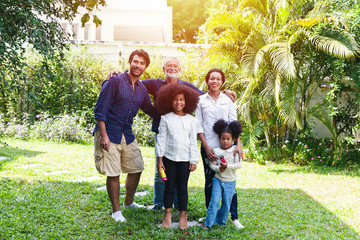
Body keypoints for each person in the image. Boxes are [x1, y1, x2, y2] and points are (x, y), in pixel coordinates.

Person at [107, 58, 237, 211]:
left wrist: (223, 92)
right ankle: (159, 203)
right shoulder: (154, 83)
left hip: (181, 133)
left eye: (175, 66)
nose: (172, 68)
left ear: (179, 69)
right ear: (163, 69)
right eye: (169, 66)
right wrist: (117, 74)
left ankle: (175, 203)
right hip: (162, 131)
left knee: (179, 166)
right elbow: (134, 80)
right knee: (160, 168)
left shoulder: (185, 86)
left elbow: (205, 94)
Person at [93, 49, 155, 222]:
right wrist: (103, 135)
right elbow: (100, 109)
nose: (138, 65)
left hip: (126, 133)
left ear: (145, 67)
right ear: (130, 62)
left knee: (137, 167)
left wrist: (173, 107)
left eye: (142, 63)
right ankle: (116, 211)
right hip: (108, 131)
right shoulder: (115, 81)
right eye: (135, 61)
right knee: (113, 173)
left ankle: (129, 202)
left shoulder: (142, 89)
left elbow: (150, 110)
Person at [195, 68, 244, 228]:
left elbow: (234, 123)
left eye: (218, 79)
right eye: (211, 78)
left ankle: (234, 218)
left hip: (228, 148)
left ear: (222, 82)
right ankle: (211, 214)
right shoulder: (200, 100)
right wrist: (206, 147)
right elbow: (198, 126)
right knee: (210, 181)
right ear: (207, 81)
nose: (214, 81)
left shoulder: (227, 100)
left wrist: (238, 144)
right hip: (210, 148)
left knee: (229, 181)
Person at [155, 83, 200, 230]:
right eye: (175, 100)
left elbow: (193, 141)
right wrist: (159, 159)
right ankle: (167, 214)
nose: (178, 102)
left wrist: (194, 160)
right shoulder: (165, 118)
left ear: (186, 101)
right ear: (170, 101)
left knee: (182, 188)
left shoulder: (191, 120)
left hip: (185, 160)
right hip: (168, 159)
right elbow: (161, 139)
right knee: (169, 187)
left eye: (181, 99)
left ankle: (183, 214)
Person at [201, 119, 243, 230]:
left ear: (233, 139)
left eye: (228, 139)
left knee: (226, 205)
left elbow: (239, 164)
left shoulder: (235, 150)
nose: (225, 141)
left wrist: (227, 166)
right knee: (214, 202)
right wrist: (220, 169)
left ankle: (220, 222)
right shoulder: (216, 151)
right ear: (219, 139)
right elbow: (212, 165)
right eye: (223, 139)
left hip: (230, 182)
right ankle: (208, 223)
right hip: (218, 180)